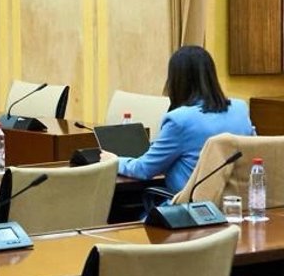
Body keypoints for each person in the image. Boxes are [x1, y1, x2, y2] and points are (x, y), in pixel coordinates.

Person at [104, 45, 255, 195]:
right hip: (235, 202)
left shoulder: (179, 120)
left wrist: (113, 161)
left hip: (187, 206)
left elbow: (143, 169)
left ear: (177, 80)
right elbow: (254, 150)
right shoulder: (240, 109)